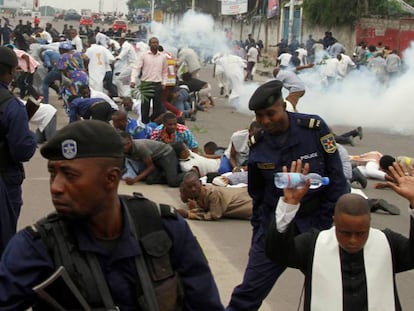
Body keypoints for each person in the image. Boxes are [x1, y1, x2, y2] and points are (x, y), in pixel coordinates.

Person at [0, 120, 224, 310]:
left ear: (111, 178)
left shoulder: (164, 228)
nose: (56, 187)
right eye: (53, 173)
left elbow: (205, 303)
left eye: (70, 175)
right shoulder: (37, 247)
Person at [226, 80, 348, 311]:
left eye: (270, 114)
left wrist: (326, 226)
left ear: (283, 105)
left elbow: (337, 179)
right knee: (248, 292)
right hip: (275, 224)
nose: (265, 121)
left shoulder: (314, 128)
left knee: (330, 293)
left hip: (316, 223)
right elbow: (257, 193)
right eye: (259, 116)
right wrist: (259, 233)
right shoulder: (258, 143)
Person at [265, 161, 414, 311]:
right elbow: (277, 252)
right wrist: (288, 205)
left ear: (369, 224)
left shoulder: (388, 244)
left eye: (361, 233)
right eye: (345, 233)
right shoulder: (314, 245)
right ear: (334, 222)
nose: (353, 240)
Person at [0, 46, 37, 256]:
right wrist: (30, 137)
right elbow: (23, 150)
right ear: (11, 72)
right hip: (5, 181)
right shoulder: (12, 106)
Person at [177, 171, 252, 220]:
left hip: (248, 204)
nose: (193, 189)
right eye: (189, 187)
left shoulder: (212, 193)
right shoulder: (198, 194)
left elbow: (215, 215)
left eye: (195, 185)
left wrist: (190, 215)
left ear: (200, 183)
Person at [130, 36, 167, 124]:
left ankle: (154, 124)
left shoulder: (162, 57)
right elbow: (137, 68)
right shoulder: (144, 55)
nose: (155, 44)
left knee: (157, 108)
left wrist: (164, 82)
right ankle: (144, 124)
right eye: (153, 43)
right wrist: (133, 80)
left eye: (156, 42)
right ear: (149, 44)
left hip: (158, 84)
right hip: (146, 84)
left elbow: (165, 71)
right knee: (145, 107)